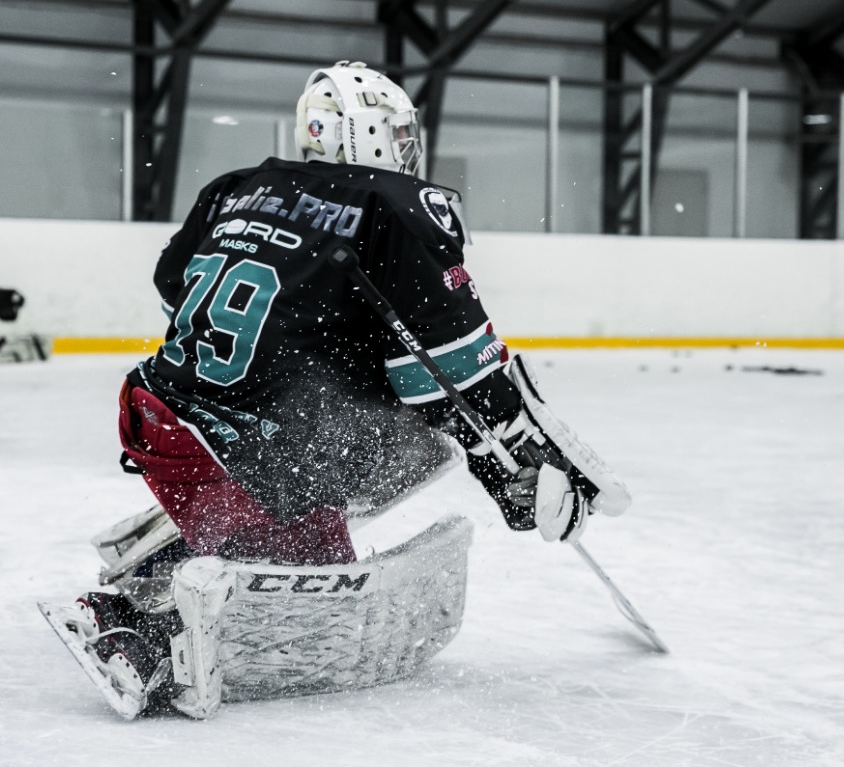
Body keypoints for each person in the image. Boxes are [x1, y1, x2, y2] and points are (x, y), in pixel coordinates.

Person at [51, 61, 629, 719]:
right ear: (368, 134)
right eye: (396, 131)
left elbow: (172, 281)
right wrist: (519, 469)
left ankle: (181, 548)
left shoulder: (234, 188)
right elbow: (458, 372)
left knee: (396, 436)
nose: (405, 147)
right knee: (413, 448)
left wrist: (317, 341)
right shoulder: (394, 204)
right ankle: (150, 624)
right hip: (248, 450)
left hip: (155, 413)